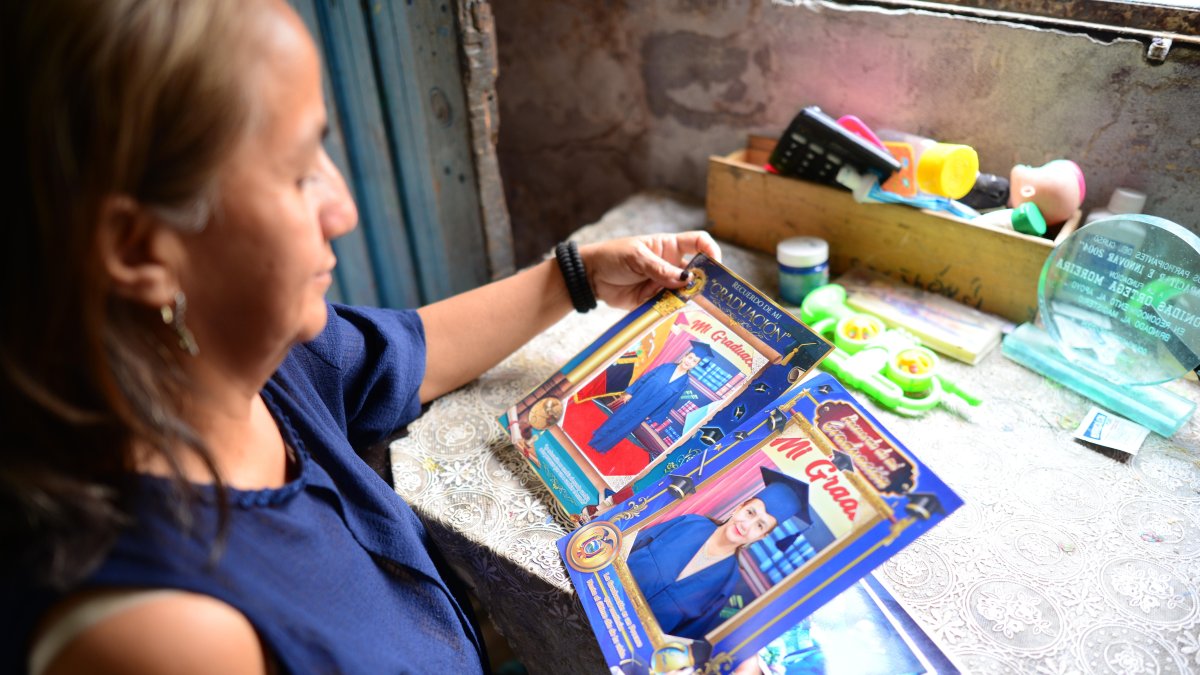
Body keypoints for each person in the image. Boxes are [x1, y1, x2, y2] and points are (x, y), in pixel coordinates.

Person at [0, 1, 722, 672]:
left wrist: (579, 275)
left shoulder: (243, 361)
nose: (343, 208)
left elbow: (410, 353)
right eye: (297, 175)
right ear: (139, 250)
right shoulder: (163, 634)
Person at [625, 468, 810, 641]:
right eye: (750, 513)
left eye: (760, 525)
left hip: (629, 643)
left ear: (763, 536)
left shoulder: (727, 583)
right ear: (740, 507)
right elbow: (630, 546)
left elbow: (683, 637)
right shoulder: (690, 524)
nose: (747, 525)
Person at [589, 342, 715, 455]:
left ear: (695, 365)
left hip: (649, 407)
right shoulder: (666, 367)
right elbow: (646, 378)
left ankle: (603, 446)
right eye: (690, 357)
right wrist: (630, 392)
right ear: (685, 356)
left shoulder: (684, 382)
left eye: (694, 361)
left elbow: (671, 401)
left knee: (627, 427)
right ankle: (597, 437)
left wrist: (655, 415)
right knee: (619, 417)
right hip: (638, 397)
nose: (689, 361)